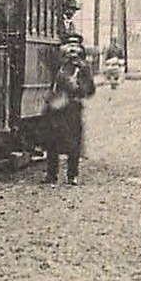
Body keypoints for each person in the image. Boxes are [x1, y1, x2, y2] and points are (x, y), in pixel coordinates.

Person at [40, 41, 96, 185]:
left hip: (72, 108)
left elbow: (89, 90)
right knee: (51, 142)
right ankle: (51, 174)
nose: (72, 54)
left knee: (73, 143)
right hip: (55, 108)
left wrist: (77, 87)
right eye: (68, 50)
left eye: (75, 50)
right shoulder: (57, 67)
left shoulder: (83, 69)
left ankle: (72, 175)